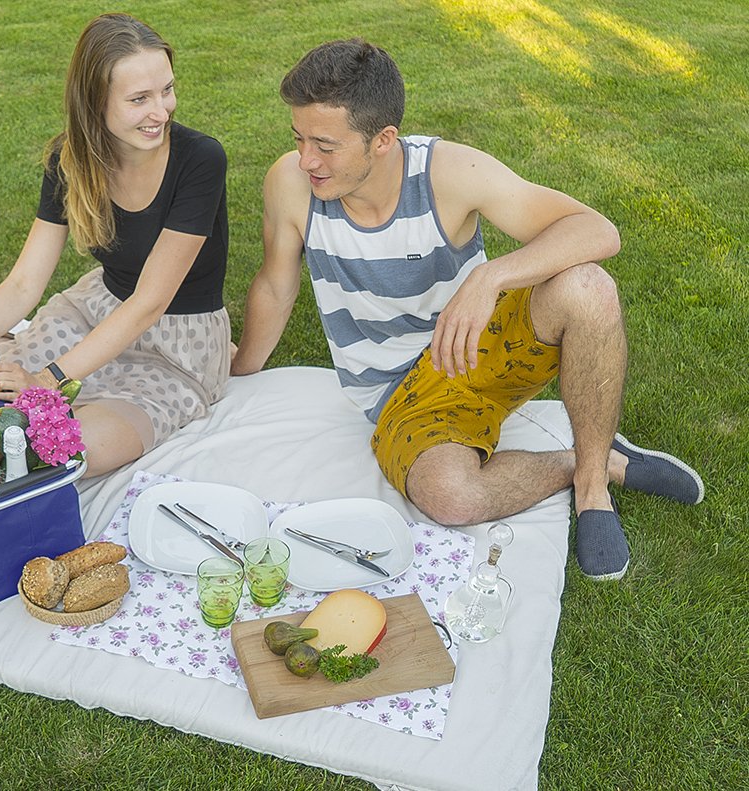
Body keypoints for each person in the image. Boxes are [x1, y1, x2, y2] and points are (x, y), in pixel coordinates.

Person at [232, 38, 703, 580]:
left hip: (475, 348)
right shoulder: (290, 185)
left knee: (588, 287)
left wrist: (491, 275)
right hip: (398, 395)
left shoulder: (448, 173)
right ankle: (594, 461)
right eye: (298, 138)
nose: (305, 159)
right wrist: (242, 364)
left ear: (383, 140)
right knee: (451, 498)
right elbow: (274, 284)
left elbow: (597, 230)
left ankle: (593, 491)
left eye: (325, 145)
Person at [0, 13, 231, 478]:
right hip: (95, 315)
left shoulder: (199, 160)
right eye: (139, 99)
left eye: (166, 90)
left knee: (63, 454)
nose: (161, 112)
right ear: (95, 102)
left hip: (175, 349)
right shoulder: (69, 160)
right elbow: (25, 283)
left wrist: (47, 381)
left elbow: (149, 303)